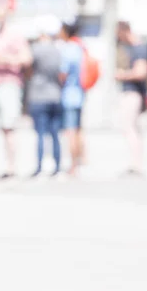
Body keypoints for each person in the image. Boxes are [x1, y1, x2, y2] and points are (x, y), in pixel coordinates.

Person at [0, 12, 33, 180]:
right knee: (3, 128)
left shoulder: (15, 36)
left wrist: (5, 59)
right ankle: (8, 164)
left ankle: (12, 166)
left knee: (10, 126)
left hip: (10, 84)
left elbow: (26, 59)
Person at [25, 16, 63, 178]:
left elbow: (28, 70)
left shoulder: (35, 49)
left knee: (40, 133)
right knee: (55, 133)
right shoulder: (58, 49)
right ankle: (57, 167)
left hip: (38, 95)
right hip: (55, 95)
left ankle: (40, 166)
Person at [115, 21, 147, 176]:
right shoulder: (135, 48)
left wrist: (122, 75)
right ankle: (135, 163)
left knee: (129, 128)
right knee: (132, 128)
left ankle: (136, 164)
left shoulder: (139, 49)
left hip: (132, 93)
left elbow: (141, 72)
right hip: (134, 93)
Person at [57, 21, 85, 177]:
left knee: (71, 132)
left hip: (69, 95)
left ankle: (73, 166)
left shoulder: (67, 50)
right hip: (80, 94)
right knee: (79, 130)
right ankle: (80, 161)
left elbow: (63, 74)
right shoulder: (79, 48)